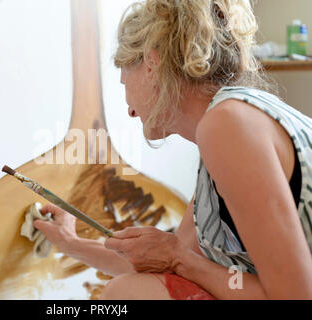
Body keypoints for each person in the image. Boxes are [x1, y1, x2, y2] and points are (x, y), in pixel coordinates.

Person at [34, 0, 312, 299]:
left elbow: (295, 295)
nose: (130, 110)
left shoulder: (227, 125)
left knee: (129, 294)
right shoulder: (230, 124)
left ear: (151, 64)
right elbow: (165, 263)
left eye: (124, 81)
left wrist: (180, 258)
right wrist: (69, 243)